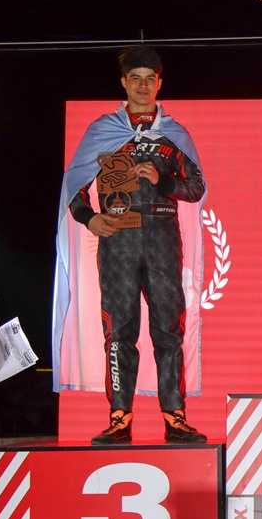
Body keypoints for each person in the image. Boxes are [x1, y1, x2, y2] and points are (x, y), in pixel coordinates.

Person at [61, 46, 207, 445]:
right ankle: (119, 418)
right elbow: (74, 187)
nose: (143, 85)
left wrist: (163, 182)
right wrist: (89, 218)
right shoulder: (102, 130)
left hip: (162, 238)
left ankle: (175, 417)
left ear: (160, 83)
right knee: (118, 330)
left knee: (169, 330)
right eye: (136, 78)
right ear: (123, 83)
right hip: (118, 240)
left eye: (150, 78)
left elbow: (196, 188)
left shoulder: (174, 134)